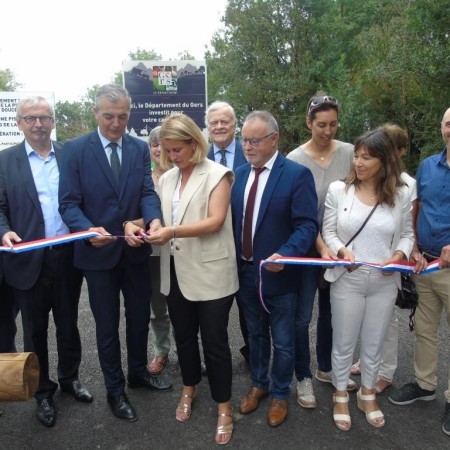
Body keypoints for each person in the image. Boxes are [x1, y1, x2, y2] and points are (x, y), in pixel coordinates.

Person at [58, 84, 173, 423]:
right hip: (97, 257)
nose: (116, 123)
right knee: (107, 326)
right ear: (95, 113)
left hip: (135, 251)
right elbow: (68, 204)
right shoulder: (76, 150)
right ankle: (115, 390)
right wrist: (88, 228)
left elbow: (147, 193)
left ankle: (138, 373)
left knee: (138, 319)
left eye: (123, 116)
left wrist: (152, 218)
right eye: (109, 116)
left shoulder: (138, 148)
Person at [0, 96, 92, 427]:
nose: (38, 123)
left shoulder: (71, 156)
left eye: (44, 118)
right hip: (27, 260)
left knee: (69, 325)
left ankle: (70, 379)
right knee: (34, 330)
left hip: (67, 257)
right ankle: (42, 392)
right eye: (30, 118)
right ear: (19, 123)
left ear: (53, 122)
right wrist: (4, 232)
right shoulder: (4, 161)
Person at [147, 113, 238, 445]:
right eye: (167, 151)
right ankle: (189, 387)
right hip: (175, 271)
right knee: (184, 337)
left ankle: (224, 405)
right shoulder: (167, 178)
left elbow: (215, 221)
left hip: (212, 272)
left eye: (177, 150)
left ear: (193, 143)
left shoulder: (218, 174)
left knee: (215, 344)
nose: (172, 157)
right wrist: (146, 226)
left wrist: (171, 230)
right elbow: (156, 215)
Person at [322, 128, 417, 431]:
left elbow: (407, 235)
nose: (358, 162)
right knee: (344, 343)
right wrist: (340, 250)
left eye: (367, 157)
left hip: (384, 282)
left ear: (384, 161)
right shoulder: (339, 190)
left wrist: (399, 257)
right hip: (347, 280)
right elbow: (329, 232)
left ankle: (367, 394)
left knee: (374, 343)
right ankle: (340, 394)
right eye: (357, 156)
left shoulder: (400, 193)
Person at [231, 110, 318, 427]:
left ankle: (281, 392)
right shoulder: (238, 175)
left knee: (282, 339)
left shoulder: (296, 175)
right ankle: (259, 384)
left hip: (280, 275)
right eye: (245, 140)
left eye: (254, 140)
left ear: (274, 139)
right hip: (246, 272)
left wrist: (286, 253)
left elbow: (307, 225)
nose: (248, 146)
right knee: (255, 335)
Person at [286, 93, 356, 409]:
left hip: (342, 249)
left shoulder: (351, 153)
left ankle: (326, 368)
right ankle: (303, 377)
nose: (328, 131)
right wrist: (320, 245)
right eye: (321, 125)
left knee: (333, 313)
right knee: (302, 317)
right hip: (306, 249)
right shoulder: (294, 160)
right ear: (309, 123)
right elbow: (296, 213)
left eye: (333, 124)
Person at [388, 107, 450, 437]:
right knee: (425, 330)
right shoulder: (429, 166)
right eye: (448, 123)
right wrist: (412, 247)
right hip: (424, 264)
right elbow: (418, 210)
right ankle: (425, 384)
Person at [351, 123, 419, 394]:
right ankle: (369, 360)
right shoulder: (365, 181)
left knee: (387, 320)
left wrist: (402, 255)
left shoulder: (406, 184)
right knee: (366, 317)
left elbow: (409, 226)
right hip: (365, 265)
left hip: (392, 262)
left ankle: (385, 370)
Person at [206, 100, 249, 364]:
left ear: (235, 125)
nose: (220, 126)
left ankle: (253, 355)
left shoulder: (251, 153)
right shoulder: (199, 157)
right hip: (212, 248)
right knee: (213, 314)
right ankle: (215, 360)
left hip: (246, 246)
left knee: (249, 311)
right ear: (207, 127)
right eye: (214, 122)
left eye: (225, 121)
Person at [146, 126, 171, 375]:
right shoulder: (143, 176)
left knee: (188, 305)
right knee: (157, 308)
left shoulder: (182, 174)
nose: (158, 149)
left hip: (180, 252)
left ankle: (193, 351)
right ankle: (161, 350)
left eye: (162, 144)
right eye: (154, 144)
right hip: (151, 253)